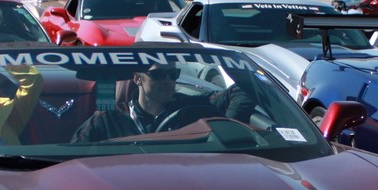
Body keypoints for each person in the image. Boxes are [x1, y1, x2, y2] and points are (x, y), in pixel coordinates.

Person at [72, 64, 251, 142]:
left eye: (173, 74)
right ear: (137, 79)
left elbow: (244, 88)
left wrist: (229, 129)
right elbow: (75, 158)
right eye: (158, 75)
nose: (167, 80)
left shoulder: (192, 108)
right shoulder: (109, 118)